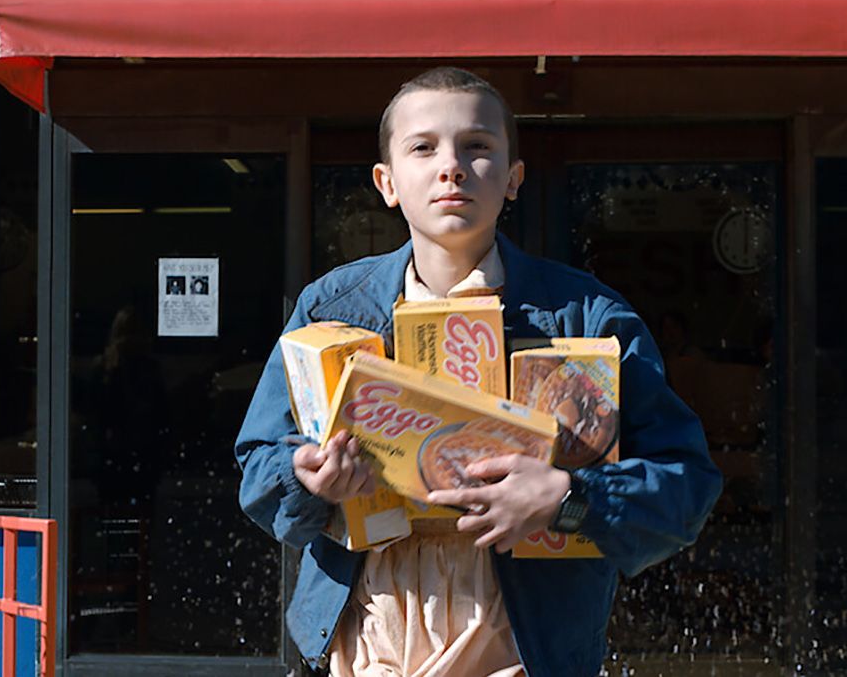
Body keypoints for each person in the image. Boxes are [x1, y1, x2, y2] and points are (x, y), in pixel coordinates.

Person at [235, 67, 722, 677]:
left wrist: (569, 500)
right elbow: (257, 465)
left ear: (514, 178)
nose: (451, 167)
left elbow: (687, 487)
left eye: (478, 146)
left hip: (520, 658)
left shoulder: (586, 318)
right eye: (423, 147)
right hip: (358, 653)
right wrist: (307, 478)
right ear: (386, 182)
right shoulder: (329, 310)